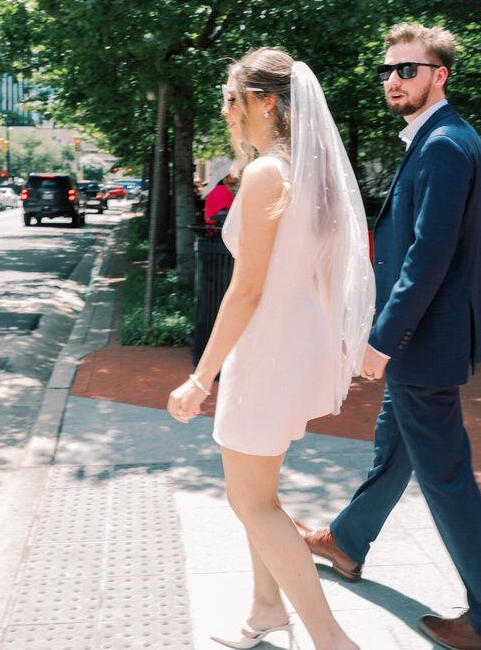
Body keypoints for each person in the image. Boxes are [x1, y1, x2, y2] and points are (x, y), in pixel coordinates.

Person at [295, 23, 481, 650]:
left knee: (447, 478)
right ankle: (346, 540)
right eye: (388, 70)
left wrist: (383, 339)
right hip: (430, 339)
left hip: (424, 341)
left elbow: (430, 256)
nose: (393, 80)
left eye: (408, 70)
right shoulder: (436, 140)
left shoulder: (446, 144)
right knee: (395, 447)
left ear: (438, 76)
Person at [167, 48, 374, 650]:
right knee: (261, 493)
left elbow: (247, 288)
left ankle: (333, 640)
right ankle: (264, 610)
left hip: (266, 353)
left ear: (268, 102)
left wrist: (199, 378)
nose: (226, 110)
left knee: (250, 501)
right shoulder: (302, 174)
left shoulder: (266, 176)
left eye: (233, 98)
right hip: (291, 346)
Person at [202, 157, 237, 226]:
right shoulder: (220, 190)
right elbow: (222, 217)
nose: (236, 175)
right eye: (232, 172)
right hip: (220, 233)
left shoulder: (219, 189)